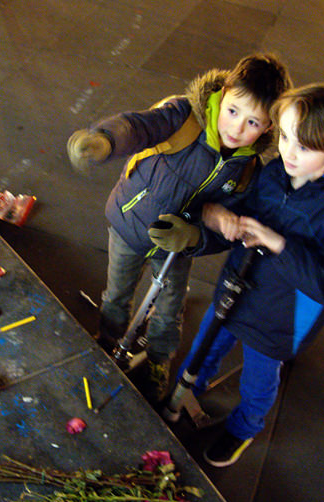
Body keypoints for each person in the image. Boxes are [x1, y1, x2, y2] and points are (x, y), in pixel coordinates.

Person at [66, 53, 291, 402]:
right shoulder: (184, 116)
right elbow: (138, 126)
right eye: (233, 111)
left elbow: (226, 230)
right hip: (130, 224)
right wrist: (106, 140)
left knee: (169, 309)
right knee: (117, 294)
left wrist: (195, 237)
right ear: (223, 92)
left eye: (253, 123)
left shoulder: (247, 171)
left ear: (269, 128)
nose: (236, 129)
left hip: (176, 246)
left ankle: (158, 360)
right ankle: (109, 341)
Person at [174, 83, 324, 467]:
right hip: (236, 289)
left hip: (278, 319)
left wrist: (280, 245)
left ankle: (244, 427)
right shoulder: (277, 172)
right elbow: (246, 205)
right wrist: (219, 215)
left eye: (304, 147)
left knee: (258, 381)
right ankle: (183, 390)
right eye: (285, 136)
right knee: (205, 343)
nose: (288, 152)